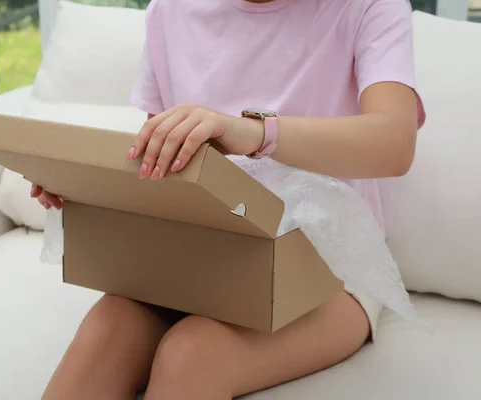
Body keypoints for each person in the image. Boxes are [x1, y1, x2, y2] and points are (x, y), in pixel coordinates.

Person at [36, 0, 426, 398]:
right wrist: (88, 187)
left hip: (326, 264)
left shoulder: (369, 6)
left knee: (192, 354)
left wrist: (253, 133)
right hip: (195, 254)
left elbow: (395, 142)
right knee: (105, 333)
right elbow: (158, 157)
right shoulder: (171, 9)